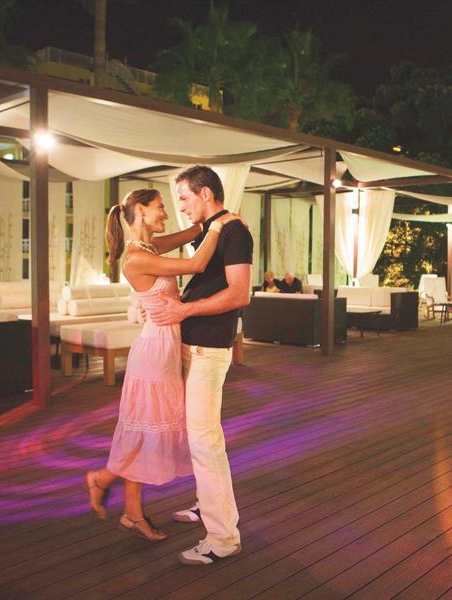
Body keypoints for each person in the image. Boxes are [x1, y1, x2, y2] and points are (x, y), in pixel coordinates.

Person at [84, 189, 240, 542]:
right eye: (160, 208)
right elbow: (196, 264)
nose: (166, 214)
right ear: (140, 210)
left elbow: (192, 234)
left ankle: (130, 510)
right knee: (145, 432)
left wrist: (214, 218)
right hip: (154, 351)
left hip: (167, 345)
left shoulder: (151, 247)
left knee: (144, 433)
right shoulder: (137, 258)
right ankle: (104, 481)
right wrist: (223, 225)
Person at [147, 165, 252, 566]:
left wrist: (183, 309)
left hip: (209, 349)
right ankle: (207, 505)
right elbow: (155, 246)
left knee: (205, 442)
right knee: (198, 438)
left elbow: (239, 293)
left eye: (185, 199)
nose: (181, 208)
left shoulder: (234, 231)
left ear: (206, 193)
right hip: (193, 345)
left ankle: (223, 537)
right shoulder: (212, 228)